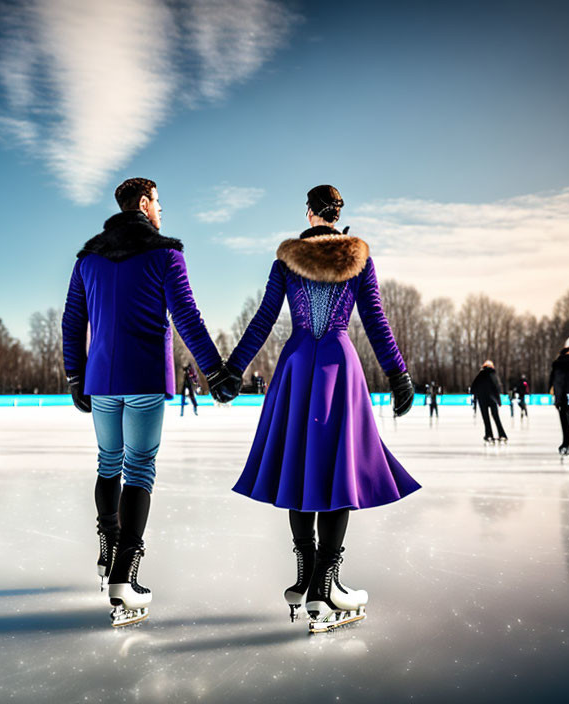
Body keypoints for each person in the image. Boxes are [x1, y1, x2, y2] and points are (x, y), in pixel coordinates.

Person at [223, 185, 418, 633]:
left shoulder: (286, 260)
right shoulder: (358, 259)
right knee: (336, 470)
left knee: (300, 466)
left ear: (310, 214)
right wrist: (398, 374)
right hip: (338, 366)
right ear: (336, 214)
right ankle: (324, 585)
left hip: (295, 367)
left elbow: (263, 319)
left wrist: (234, 368)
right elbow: (375, 321)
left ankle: (307, 576)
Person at [61, 177, 234, 627]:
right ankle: (124, 576)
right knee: (139, 468)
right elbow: (187, 318)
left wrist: (75, 373)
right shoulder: (165, 254)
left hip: (101, 378)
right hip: (145, 378)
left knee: (107, 463)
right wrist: (214, 370)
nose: (162, 211)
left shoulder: (88, 260)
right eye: (159, 202)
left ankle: (108, 549)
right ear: (144, 203)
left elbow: (72, 321)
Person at [470, 360, 507, 443]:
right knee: (496, 418)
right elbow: (497, 387)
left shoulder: (480, 375)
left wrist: (476, 397)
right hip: (492, 399)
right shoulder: (493, 374)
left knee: (486, 419)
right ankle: (502, 434)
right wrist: (499, 400)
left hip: (482, 399)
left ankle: (489, 435)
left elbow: (473, 388)